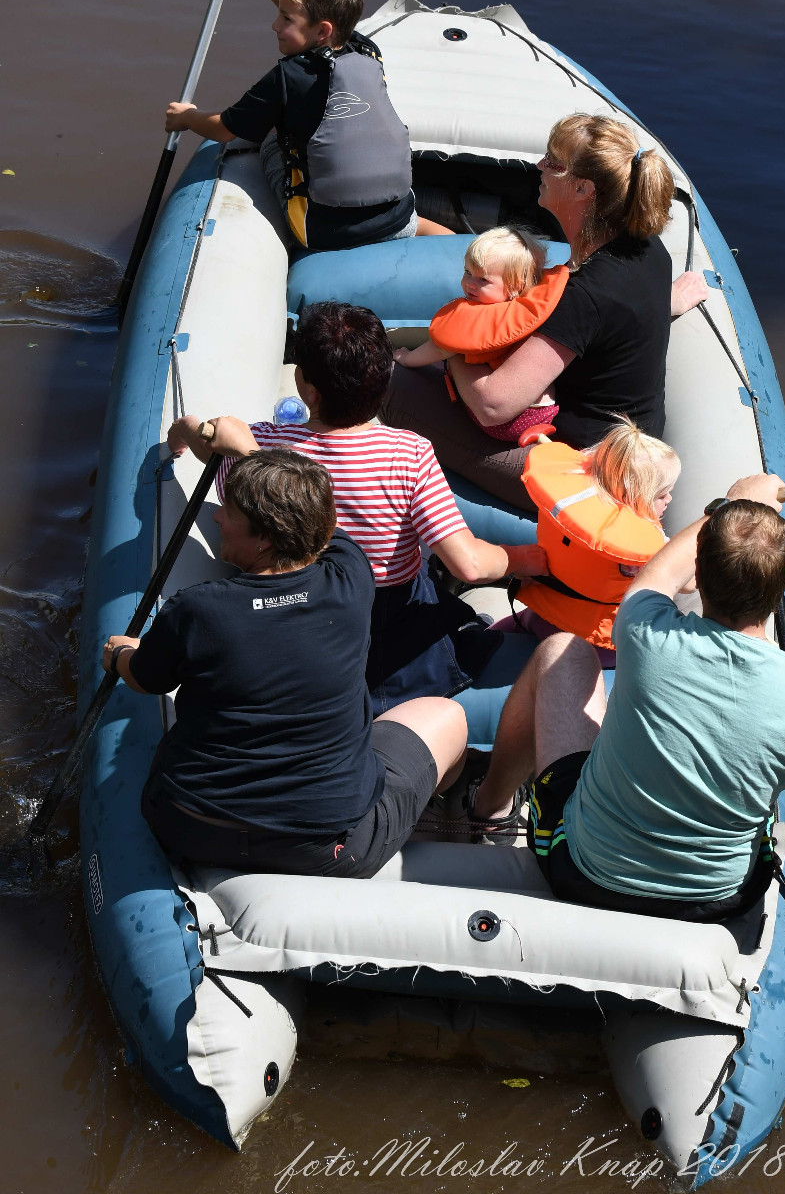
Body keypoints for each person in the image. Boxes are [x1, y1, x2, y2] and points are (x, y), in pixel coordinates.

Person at [468, 473, 785, 916]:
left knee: (562, 650)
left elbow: (660, 572)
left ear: (699, 572)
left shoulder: (645, 630)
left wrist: (729, 504)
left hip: (583, 873)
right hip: (714, 902)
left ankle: (489, 809)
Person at [102, 449, 468, 876]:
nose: (217, 517)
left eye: (229, 512)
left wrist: (120, 655)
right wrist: (266, 472)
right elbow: (327, 528)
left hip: (189, 825)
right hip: (325, 848)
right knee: (448, 716)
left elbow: (145, 678)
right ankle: (444, 814)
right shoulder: (351, 577)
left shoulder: (197, 611)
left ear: (265, 538)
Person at [170, 302, 547, 714]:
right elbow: (470, 565)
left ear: (308, 389)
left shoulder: (261, 450)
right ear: (384, 385)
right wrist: (525, 558)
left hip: (305, 623)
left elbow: (209, 449)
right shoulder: (408, 453)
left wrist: (184, 431)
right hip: (391, 628)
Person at [383, 112, 709, 509]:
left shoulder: (585, 295)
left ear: (582, 188)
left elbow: (493, 406)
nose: (539, 165)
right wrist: (671, 302)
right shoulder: (648, 250)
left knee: (382, 379)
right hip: (624, 455)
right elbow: (617, 318)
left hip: (582, 475)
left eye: (553, 162)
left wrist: (454, 345)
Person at [164, 0, 451, 251]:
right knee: (420, 224)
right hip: (396, 217)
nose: (275, 25)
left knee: (271, 141)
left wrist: (186, 117)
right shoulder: (366, 49)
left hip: (323, 231)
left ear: (322, 31)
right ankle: (468, 251)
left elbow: (224, 130)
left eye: (286, 20)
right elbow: (306, 12)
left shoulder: (288, 77)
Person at [499, 419, 680, 664]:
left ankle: (483, 633)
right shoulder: (646, 550)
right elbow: (687, 584)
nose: (669, 499)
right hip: (596, 644)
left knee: (518, 623)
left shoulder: (569, 506)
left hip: (544, 614)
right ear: (635, 497)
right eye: (662, 494)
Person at [393, 226, 568, 444]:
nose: (469, 283)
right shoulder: (529, 308)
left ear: (515, 285)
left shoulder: (479, 318)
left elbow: (439, 348)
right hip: (544, 411)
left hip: (509, 423)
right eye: (467, 272)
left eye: (483, 280)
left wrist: (406, 358)